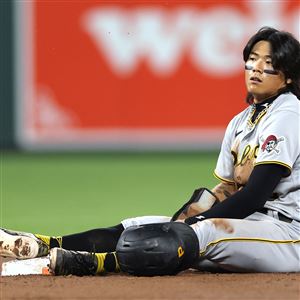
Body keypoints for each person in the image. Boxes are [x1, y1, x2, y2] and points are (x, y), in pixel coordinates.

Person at [1, 26, 300, 275]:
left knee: (198, 233)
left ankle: (94, 264)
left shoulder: (288, 113)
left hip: (287, 235)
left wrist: (195, 223)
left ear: (287, 76)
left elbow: (255, 194)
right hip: (251, 226)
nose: (257, 68)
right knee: (142, 225)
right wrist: (189, 214)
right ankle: (46, 244)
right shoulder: (241, 121)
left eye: (269, 61)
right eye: (252, 59)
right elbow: (229, 188)